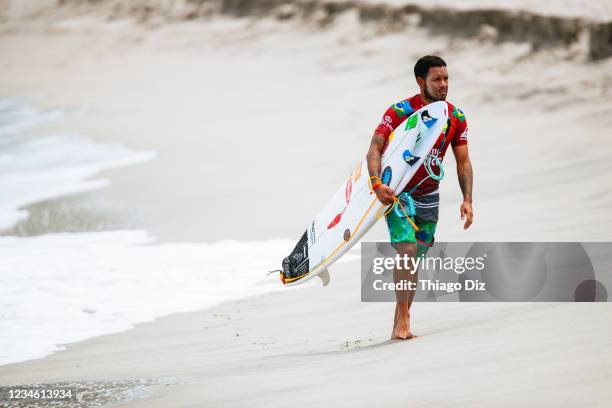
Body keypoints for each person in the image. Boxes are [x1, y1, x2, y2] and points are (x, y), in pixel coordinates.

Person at [366, 55, 474, 340]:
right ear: (420, 81)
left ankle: (399, 317)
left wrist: (468, 199)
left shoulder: (456, 117)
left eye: (446, 79)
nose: (443, 85)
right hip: (398, 194)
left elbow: (463, 162)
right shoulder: (400, 111)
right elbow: (375, 149)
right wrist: (377, 184)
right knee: (407, 252)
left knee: (416, 259)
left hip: (429, 196)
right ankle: (404, 318)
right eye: (437, 79)